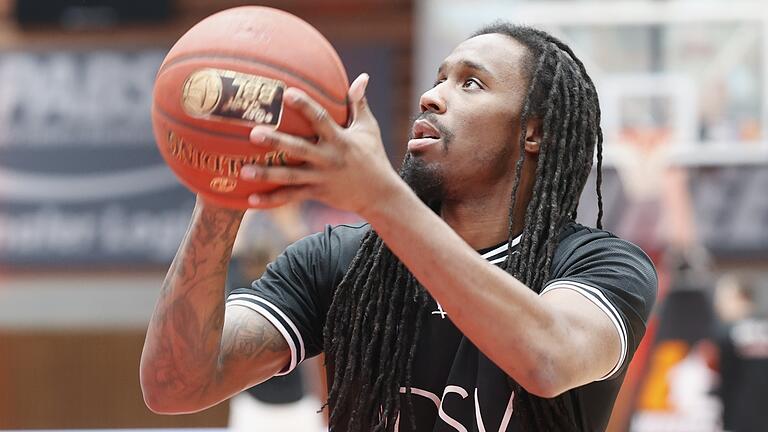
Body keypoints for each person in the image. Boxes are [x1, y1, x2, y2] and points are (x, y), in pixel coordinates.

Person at [140, 23, 657, 431]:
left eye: (470, 83)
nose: (431, 97)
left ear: (534, 133)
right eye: (437, 79)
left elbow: (548, 360)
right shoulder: (341, 262)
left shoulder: (601, 266)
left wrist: (377, 195)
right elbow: (174, 387)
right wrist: (220, 192)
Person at [713, 275, 768, 432]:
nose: (718, 306)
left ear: (740, 298)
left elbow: (724, 383)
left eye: (723, 299)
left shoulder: (727, 334)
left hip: (738, 421)